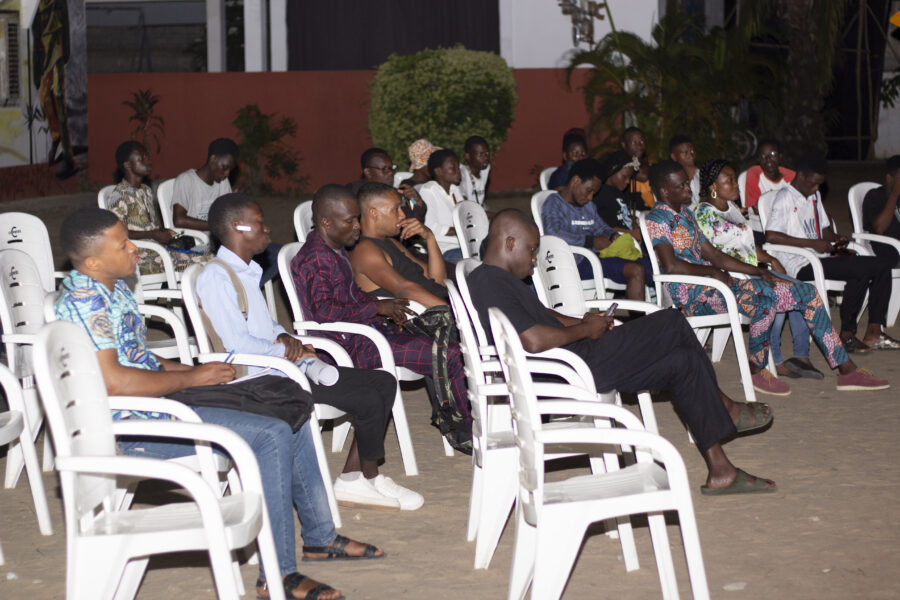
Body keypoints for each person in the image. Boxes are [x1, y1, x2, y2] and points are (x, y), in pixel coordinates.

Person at [55, 208, 383, 600]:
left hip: (157, 403)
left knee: (288, 408)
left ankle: (319, 537)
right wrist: (191, 378)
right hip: (130, 425)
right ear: (92, 260)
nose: (134, 249)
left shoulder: (113, 287)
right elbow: (115, 381)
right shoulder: (86, 301)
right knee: (270, 433)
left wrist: (193, 369)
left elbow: (136, 357)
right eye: (123, 244)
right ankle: (277, 576)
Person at [469, 209, 777, 495]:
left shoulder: (499, 281)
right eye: (532, 249)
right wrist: (586, 331)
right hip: (572, 368)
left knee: (682, 362)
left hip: (577, 358)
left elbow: (544, 317)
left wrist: (587, 322)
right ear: (510, 243)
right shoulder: (488, 281)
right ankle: (726, 409)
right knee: (671, 321)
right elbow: (532, 340)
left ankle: (721, 472)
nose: (534, 259)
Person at [197, 193, 423, 511]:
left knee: (383, 382)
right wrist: (286, 350)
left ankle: (358, 479)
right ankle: (362, 480)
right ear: (238, 226)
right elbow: (238, 346)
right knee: (367, 398)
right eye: (260, 222)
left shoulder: (246, 273)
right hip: (262, 380)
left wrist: (288, 338)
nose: (267, 229)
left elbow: (265, 328)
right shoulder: (216, 277)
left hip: (282, 367)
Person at [646, 160, 889, 395]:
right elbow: (670, 265)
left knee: (807, 293)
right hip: (693, 294)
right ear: (664, 190)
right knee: (763, 301)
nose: (688, 189)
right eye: (681, 186)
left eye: (688, 183)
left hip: (719, 285)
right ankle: (757, 369)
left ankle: (846, 370)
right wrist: (712, 272)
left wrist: (758, 270)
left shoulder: (686, 216)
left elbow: (716, 256)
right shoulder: (658, 219)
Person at [290, 185, 472, 453]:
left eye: (356, 218)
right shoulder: (318, 257)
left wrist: (379, 308)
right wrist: (376, 307)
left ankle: (463, 419)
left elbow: (351, 299)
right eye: (351, 220)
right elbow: (324, 312)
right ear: (326, 222)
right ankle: (466, 431)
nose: (357, 226)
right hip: (350, 346)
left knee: (441, 340)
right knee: (450, 353)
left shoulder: (333, 248)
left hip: (366, 335)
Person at [764, 154, 899, 352]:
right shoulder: (784, 197)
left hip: (821, 258)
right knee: (870, 266)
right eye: (813, 184)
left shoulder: (813, 196)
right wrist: (812, 243)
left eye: (819, 184)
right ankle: (849, 334)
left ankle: (858, 333)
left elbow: (824, 229)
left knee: (872, 267)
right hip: (801, 264)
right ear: (800, 176)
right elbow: (771, 236)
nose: (817, 188)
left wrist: (835, 238)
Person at [541, 158, 652, 301]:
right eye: (589, 190)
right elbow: (553, 234)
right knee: (636, 270)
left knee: (649, 266)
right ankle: (641, 321)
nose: (591, 196)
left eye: (594, 193)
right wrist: (589, 241)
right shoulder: (554, 203)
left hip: (597, 257)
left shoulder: (588, 205)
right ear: (575, 181)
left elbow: (601, 226)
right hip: (575, 262)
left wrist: (612, 235)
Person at [172, 137, 279, 284]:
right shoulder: (186, 181)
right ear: (213, 159)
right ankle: (239, 289)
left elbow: (229, 215)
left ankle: (244, 290)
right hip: (198, 245)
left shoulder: (222, 183)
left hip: (223, 241)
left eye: (230, 169)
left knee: (276, 253)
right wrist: (216, 224)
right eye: (225, 167)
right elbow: (179, 220)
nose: (227, 173)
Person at [107, 140, 212, 276]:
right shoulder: (120, 196)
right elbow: (117, 234)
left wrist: (164, 232)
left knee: (207, 256)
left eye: (148, 157)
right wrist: (152, 235)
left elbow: (150, 227)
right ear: (127, 165)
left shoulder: (146, 190)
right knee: (206, 262)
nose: (148, 161)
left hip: (157, 249)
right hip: (140, 256)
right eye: (142, 158)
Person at [350, 182, 448, 306]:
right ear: (373, 213)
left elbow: (438, 281)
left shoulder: (391, 242)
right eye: (396, 209)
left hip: (439, 304)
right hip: (426, 314)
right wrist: (455, 313)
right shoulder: (363, 249)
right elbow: (404, 289)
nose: (403, 215)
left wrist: (430, 238)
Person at [348, 147, 426, 226]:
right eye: (384, 169)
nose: (390, 173)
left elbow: (413, 223)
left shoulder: (396, 192)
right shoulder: (353, 193)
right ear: (368, 172)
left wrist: (416, 201)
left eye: (391, 168)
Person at [592, 150, 646, 239]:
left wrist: (634, 224)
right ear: (612, 171)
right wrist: (631, 233)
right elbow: (606, 227)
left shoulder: (620, 192)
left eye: (630, 178)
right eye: (624, 177)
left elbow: (625, 215)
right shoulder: (600, 195)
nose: (628, 181)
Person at [861, 155, 900, 265]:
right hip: (889, 250)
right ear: (889, 178)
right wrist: (894, 195)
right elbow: (879, 228)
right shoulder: (875, 196)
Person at [620, 127, 654, 208]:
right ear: (624, 145)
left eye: (642, 141)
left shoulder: (649, 164)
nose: (639, 145)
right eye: (634, 142)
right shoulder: (621, 168)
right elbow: (643, 176)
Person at [668, 134, 700, 208]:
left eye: (692, 151)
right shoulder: (671, 182)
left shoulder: (704, 176)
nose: (691, 155)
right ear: (674, 157)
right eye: (685, 153)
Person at [459, 135, 491, 205]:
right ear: (468, 156)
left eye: (487, 153)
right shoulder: (462, 174)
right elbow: (466, 207)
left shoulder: (485, 169)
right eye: (481, 154)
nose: (486, 157)